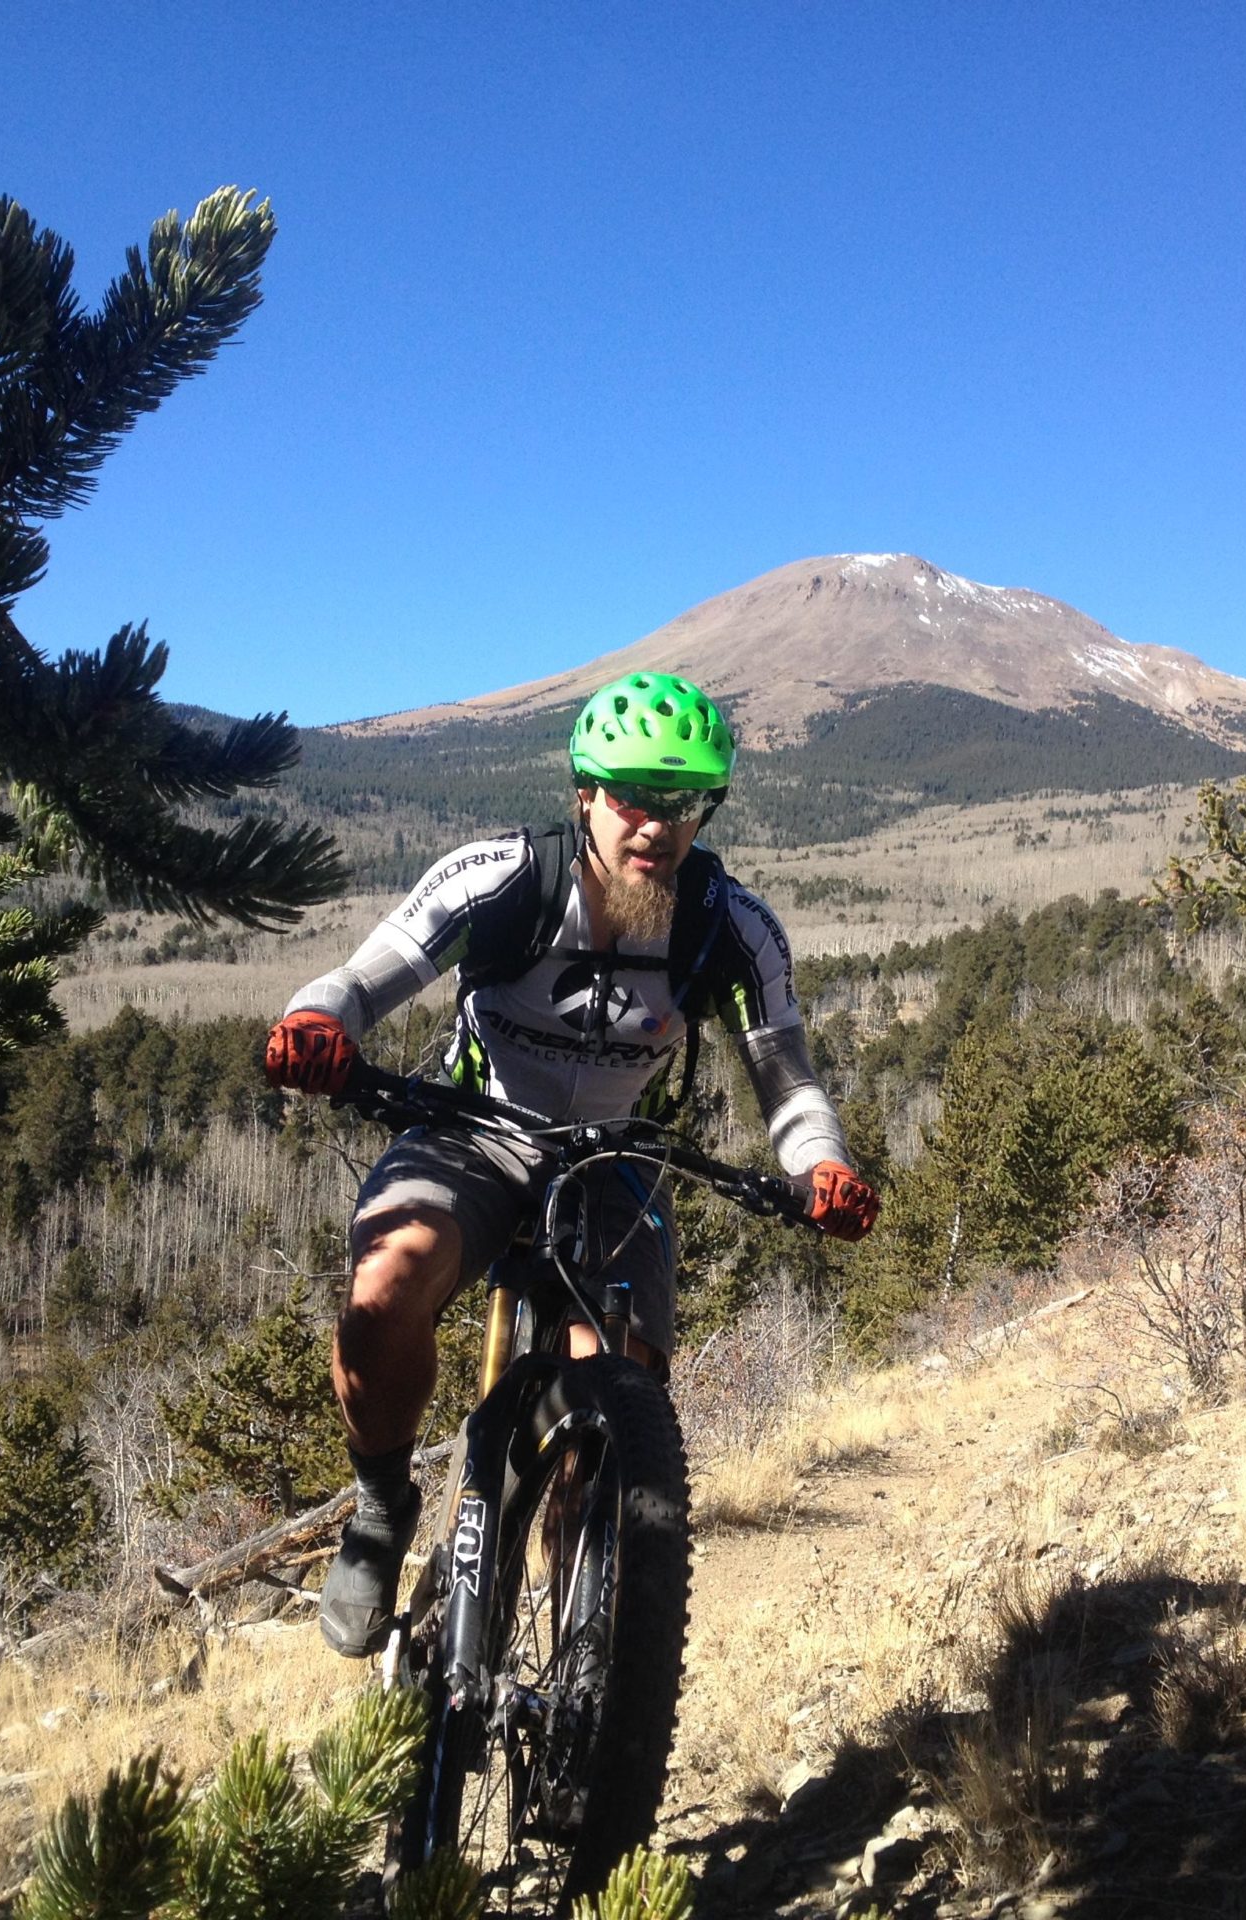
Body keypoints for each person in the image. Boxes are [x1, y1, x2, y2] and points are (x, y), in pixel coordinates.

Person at [262, 669, 881, 1656]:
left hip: (614, 1161)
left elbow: (787, 1077)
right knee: (386, 1287)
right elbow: (365, 976)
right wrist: (313, 1027)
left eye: (685, 803)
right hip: (474, 1129)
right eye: (634, 797)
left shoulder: (733, 925)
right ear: (583, 794)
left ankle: (592, 1643)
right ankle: (380, 1510)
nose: (658, 827)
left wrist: (823, 1166)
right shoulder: (503, 877)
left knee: (620, 1395)